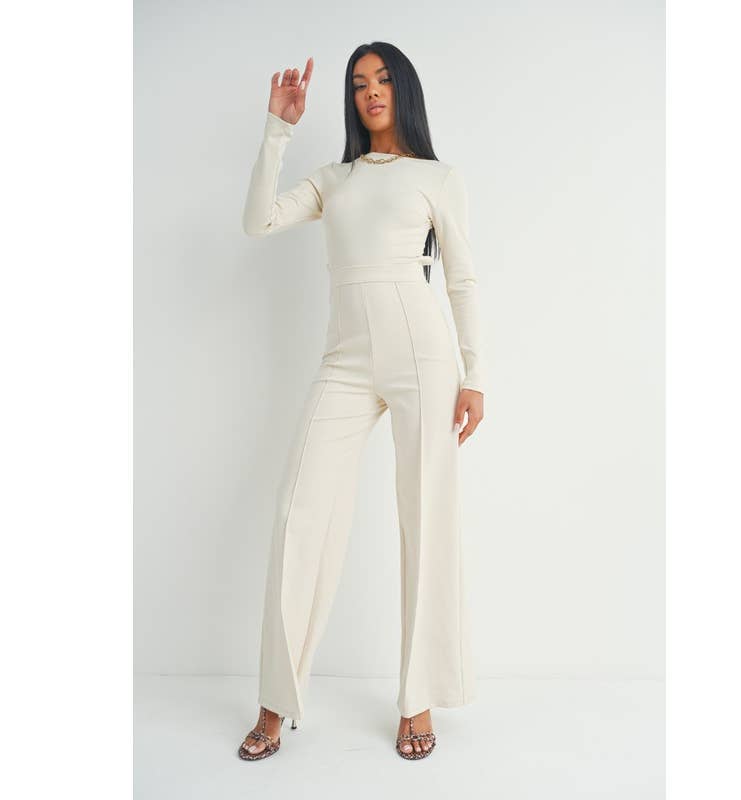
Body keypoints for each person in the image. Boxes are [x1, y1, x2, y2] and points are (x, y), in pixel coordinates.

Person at [237, 42, 486, 762]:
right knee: (299, 512)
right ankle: (276, 700)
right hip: (343, 360)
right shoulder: (334, 179)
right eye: (357, 83)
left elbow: (463, 278)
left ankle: (418, 699)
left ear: (402, 89)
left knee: (425, 517)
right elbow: (258, 222)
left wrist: (475, 374)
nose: (370, 91)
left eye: (381, 79)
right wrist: (277, 130)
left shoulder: (437, 177)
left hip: (422, 355)